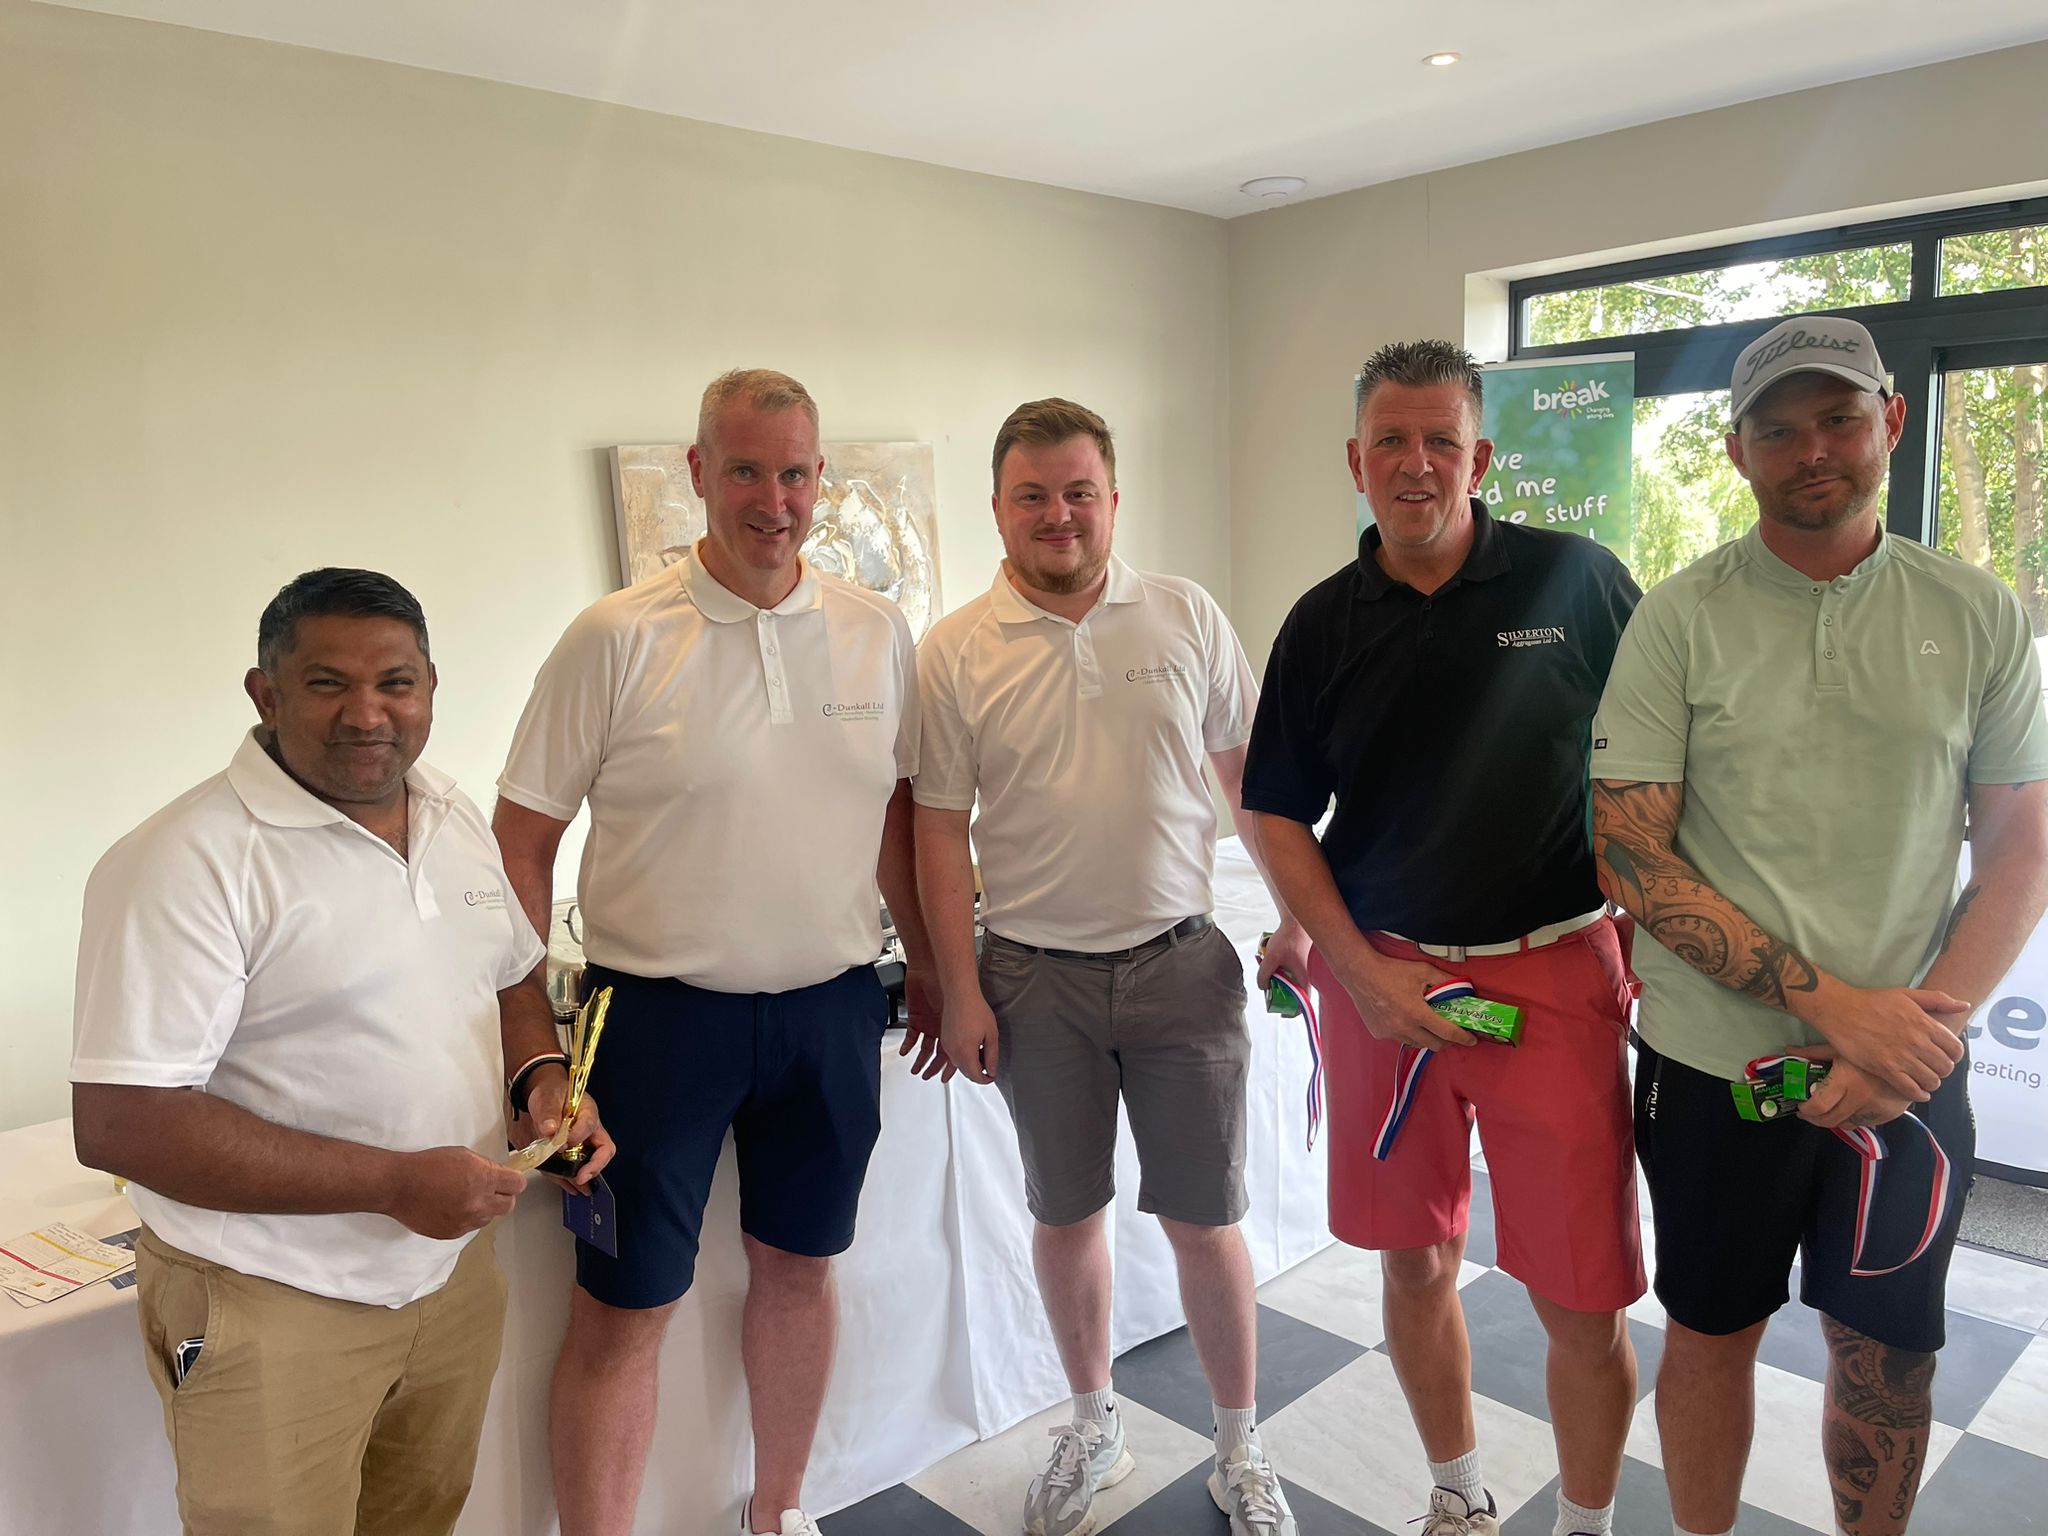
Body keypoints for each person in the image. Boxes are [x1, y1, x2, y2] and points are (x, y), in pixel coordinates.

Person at [1591, 314, 2048, 1536]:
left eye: (1838, 419)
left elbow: (2020, 847)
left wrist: (1906, 1040)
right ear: (1735, 450)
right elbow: (1627, 852)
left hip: (1910, 1069)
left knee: (1885, 1354)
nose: (1811, 451)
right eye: (1778, 428)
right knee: (1708, 1333)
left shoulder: (1976, 612)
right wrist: (1833, 1007)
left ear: (1888, 422)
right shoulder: (1678, 617)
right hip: (1710, 1068)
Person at [71, 567, 604, 1536]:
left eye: (395, 683)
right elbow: (123, 1124)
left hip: (446, 1280)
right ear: (265, 695)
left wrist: (542, 1078)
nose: (367, 714)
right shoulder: (183, 860)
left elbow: (509, 977)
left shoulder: (448, 814)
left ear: (431, 688)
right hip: (270, 1301)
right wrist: (395, 1183)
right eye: (327, 684)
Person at [493, 368, 931, 1536]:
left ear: (819, 478)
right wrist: (530, 1044)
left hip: (832, 1009)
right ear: (698, 471)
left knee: (800, 1271)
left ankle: (776, 1513)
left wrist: (938, 968)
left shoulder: (876, 631)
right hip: (652, 1022)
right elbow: (519, 842)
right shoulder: (615, 637)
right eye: (744, 470)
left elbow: (900, 818)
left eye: (793, 474)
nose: (772, 501)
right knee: (624, 1306)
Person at [1245, 340, 1646, 1536]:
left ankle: (1583, 1522)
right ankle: (1456, 1494)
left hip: (1552, 974)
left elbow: (1662, 760)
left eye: (1439, 441)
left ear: (1479, 458)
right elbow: (1276, 812)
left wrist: (1655, 918)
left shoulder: (1576, 582)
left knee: (1579, 1296)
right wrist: (1354, 971)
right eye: (1390, 441)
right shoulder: (1321, 624)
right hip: (1383, 983)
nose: (1413, 464)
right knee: (1410, 1260)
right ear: (1353, 461)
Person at [915, 397, 1311, 1536]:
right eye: (1032, 496)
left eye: (1078, 492)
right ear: (998, 509)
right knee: (1066, 1216)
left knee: (1206, 1221)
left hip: (1182, 968)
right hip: (1033, 980)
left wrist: (1297, 918)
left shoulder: (1183, 614)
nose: (1058, 514)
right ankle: (1093, 1425)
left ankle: (1240, 1446)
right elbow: (937, 829)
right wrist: (959, 984)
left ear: (1112, 499)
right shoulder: (955, 650)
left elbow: (1250, 786)